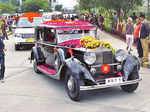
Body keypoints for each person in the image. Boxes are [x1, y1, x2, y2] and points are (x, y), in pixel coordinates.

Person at [0, 18, 6, 83]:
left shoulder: (0, 37)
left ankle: (2, 77)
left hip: (1, 54)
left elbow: (2, 44)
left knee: (3, 65)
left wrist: (4, 48)